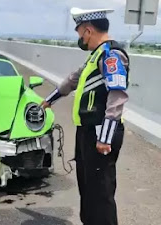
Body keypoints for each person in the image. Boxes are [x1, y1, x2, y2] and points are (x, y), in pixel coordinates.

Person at [41, 7, 130, 225]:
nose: (80, 38)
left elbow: (117, 96)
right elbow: (73, 80)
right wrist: (48, 100)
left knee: (101, 192)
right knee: (88, 189)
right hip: (88, 132)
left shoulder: (112, 56)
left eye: (80, 33)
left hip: (101, 132)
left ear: (88, 30)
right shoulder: (97, 56)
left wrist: (105, 138)